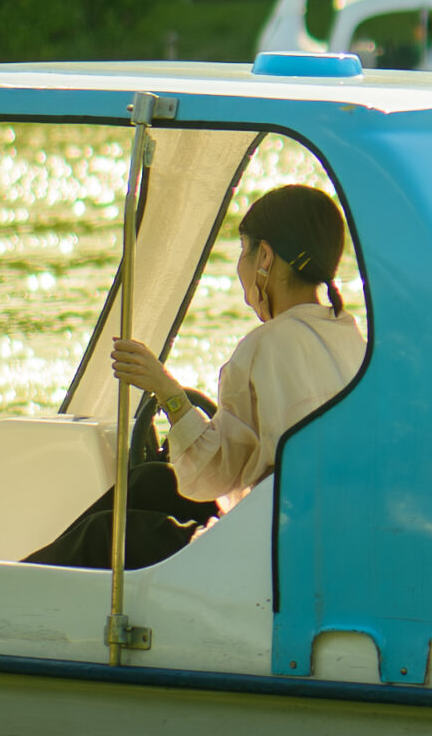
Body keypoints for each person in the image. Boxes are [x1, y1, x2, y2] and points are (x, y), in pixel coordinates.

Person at [25, 184, 366, 568]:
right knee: (151, 482)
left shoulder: (267, 345)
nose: (241, 267)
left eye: (244, 251)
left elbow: (215, 475)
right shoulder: (350, 336)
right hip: (329, 532)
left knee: (103, 536)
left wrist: (167, 392)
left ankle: (12, 584)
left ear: (265, 257)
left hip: (272, 555)